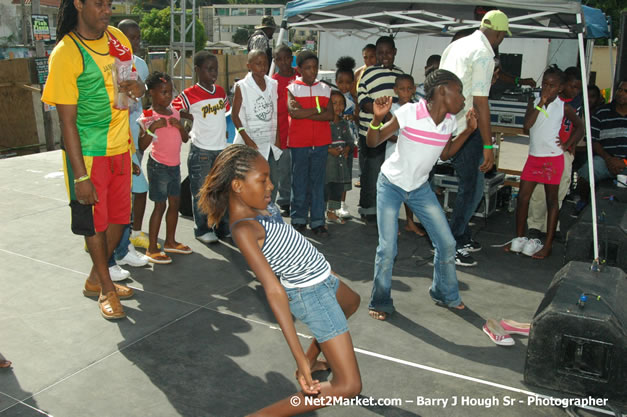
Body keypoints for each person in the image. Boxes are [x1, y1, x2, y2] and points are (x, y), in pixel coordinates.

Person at [197, 145, 362, 416]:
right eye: (263, 180)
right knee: (348, 386)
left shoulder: (260, 203)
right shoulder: (244, 228)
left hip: (320, 277)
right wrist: (298, 354)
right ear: (238, 186)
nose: (271, 185)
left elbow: (289, 245)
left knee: (351, 303)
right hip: (311, 293)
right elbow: (273, 291)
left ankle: (309, 362)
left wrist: (318, 268)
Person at [42, 0, 144, 319]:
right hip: (88, 152)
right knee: (95, 224)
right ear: (79, 4)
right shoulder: (65, 53)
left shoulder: (118, 39)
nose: (106, 10)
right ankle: (107, 289)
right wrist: (80, 177)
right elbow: (66, 122)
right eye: (99, 4)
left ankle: (95, 277)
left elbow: (129, 94)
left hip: (120, 147)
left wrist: (137, 88)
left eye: (109, 4)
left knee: (119, 219)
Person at [367, 69, 477, 320]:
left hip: (419, 188)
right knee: (387, 249)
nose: (462, 98)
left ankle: (444, 293)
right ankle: (380, 301)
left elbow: (446, 153)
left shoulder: (450, 121)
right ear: (441, 91)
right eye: (458, 91)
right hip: (391, 185)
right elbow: (373, 142)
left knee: (447, 243)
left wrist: (468, 131)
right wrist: (377, 120)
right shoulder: (408, 113)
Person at [439, 9, 509, 267]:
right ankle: (453, 243)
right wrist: (489, 145)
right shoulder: (483, 54)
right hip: (466, 127)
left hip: (450, 124)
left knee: (470, 186)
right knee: (472, 189)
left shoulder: (458, 44)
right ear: (500, 34)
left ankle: (463, 235)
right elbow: (481, 102)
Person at [506, 66, 583, 259]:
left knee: (552, 201)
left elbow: (580, 126)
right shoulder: (535, 102)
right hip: (534, 157)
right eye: (544, 84)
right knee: (523, 198)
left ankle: (547, 245)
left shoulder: (563, 107)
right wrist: (541, 103)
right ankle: (520, 239)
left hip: (552, 158)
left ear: (560, 88)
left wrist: (567, 144)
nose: (547, 89)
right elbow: (527, 125)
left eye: (552, 85)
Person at [104, 19, 150, 273]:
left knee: (128, 195)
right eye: (129, 37)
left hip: (133, 137)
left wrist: (145, 128)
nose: (134, 41)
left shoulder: (139, 65)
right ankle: (113, 251)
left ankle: (124, 245)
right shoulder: (108, 62)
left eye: (137, 37)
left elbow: (139, 100)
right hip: (113, 141)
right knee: (122, 196)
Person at [172, 51, 230, 244]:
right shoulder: (189, 94)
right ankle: (202, 229)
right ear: (197, 70)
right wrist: (187, 118)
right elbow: (173, 108)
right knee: (202, 192)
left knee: (221, 191)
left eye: (216, 69)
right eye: (209, 69)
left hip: (221, 149)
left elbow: (226, 112)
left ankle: (222, 226)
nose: (213, 73)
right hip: (202, 151)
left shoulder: (221, 92)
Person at [139, 72, 192, 264]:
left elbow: (185, 139)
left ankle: (170, 241)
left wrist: (180, 127)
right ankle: (152, 248)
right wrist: (153, 128)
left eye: (170, 92)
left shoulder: (175, 112)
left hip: (174, 166)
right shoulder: (148, 116)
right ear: (151, 93)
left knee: (175, 204)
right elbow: (142, 145)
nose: (168, 96)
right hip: (158, 167)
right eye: (163, 92)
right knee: (159, 206)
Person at [527, 66, 582, 234]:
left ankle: (551, 226)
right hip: (544, 150)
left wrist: (569, 143)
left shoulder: (575, 103)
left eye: (578, 88)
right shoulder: (548, 100)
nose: (575, 91)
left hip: (561, 152)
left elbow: (580, 126)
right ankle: (535, 224)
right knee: (539, 190)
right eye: (572, 86)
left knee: (560, 190)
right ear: (563, 85)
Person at [357, 36, 405, 224]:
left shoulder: (401, 74)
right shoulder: (368, 74)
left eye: (388, 52)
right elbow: (364, 102)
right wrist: (385, 118)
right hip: (372, 131)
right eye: (380, 53)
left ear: (394, 52)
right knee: (372, 170)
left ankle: (387, 209)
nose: (385, 56)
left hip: (395, 134)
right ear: (376, 54)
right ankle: (368, 209)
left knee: (390, 172)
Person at [287, 50, 334, 237]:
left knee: (317, 183)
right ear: (298, 69)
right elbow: (293, 113)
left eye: (314, 67)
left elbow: (330, 115)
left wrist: (305, 111)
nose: (312, 71)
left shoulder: (325, 88)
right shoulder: (292, 88)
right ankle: (298, 219)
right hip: (299, 143)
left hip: (321, 143)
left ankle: (317, 221)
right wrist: (317, 109)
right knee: (299, 182)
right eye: (307, 68)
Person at [232, 50, 280, 202]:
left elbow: (275, 113)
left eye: (265, 63)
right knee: (252, 181)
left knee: (271, 181)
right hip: (251, 143)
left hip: (270, 143)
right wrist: (246, 138)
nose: (263, 67)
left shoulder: (273, 84)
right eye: (258, 64)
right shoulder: (242, 86)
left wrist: (277, 138)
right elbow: (235, 116)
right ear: (249, 65)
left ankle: (268, 215)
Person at [575, 79, 627, 206]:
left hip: (625, 162)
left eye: (626, 91)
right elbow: (593, 141)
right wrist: (609, 159)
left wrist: (624, 162)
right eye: (620, 89)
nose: (621, 93)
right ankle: (584, 203)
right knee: (586, 172)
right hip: (605, 160)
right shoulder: (601, 112)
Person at [385, 74, 425, 237]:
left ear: (414, 89)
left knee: (409, 189)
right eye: (402, 89)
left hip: (412, 156)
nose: (406, 92)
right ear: (395, 90)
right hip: (393, 154)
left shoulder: (420, 108)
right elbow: (388, 133)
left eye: (409, 88)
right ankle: (391, 225)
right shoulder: (390, 108)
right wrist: (405, 139)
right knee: (393, 192)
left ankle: (410, 221)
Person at [271, 44, 297, 216]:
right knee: (284, 171)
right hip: (282, 133)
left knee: (299, 169)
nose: (284, 62)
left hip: (300, 132)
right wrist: (277, 136)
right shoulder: (272, 82)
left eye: (287, 58)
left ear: (291, 58)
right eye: (279, 59)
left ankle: (299, 199)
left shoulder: (300, 75)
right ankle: (285, 200)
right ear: (275, 61)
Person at [334, 56, 358, 219]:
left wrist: (353, 118)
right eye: (341, 82)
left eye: (348, 82)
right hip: (333, 143)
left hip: (349, 143)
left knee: (345, 175)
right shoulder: (333, 98)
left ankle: (342, 205)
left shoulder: (355, 100)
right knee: (331, 175)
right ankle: (331, 206)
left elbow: (358, 119)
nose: (344, 86)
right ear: (336, 81)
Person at [326, 90, 354, 225]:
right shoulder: (324, 123)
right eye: (334, 103)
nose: (338, 107)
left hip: (341, 163)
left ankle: (332, 212)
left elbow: (349, 140)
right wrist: (330, 150)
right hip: (328, 164)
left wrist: (348, 148)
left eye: (341, 103)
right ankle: (321, 213)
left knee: (337, 188)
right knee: (326, 188)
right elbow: (319, 143)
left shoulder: (344, 123)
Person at [352, 43, 376, 188]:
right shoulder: (358, 73)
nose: (368, 60)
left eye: (372, 57)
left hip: (379, 121)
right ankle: (362, 177)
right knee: (362, 150)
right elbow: (354, 96)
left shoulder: (382, 72)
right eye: (365, 57)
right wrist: (356, 116)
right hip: (362, 119)